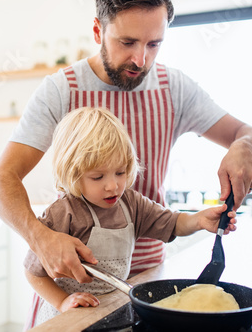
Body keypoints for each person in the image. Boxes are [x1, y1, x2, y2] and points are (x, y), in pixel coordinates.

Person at [0, 0, 252, 284]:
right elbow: (1, 179)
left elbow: (251, 135)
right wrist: (40, 237)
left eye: (153, 44)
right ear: (98, 31)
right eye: (127, 42)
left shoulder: (175, 89)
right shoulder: (62, 90)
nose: (140, 59)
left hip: (148, 276)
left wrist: (245, 146)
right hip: (77, 281)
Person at [24, 107, 237, 327]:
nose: (113, 185)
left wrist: (199, 220)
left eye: (120, 172)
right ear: (73, 174)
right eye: (98, 177)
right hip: (66, 317)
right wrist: (63, 302)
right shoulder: (63, 213)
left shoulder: (131, 204)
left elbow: (172, 223)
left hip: (109, 309)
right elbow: (34, 273)